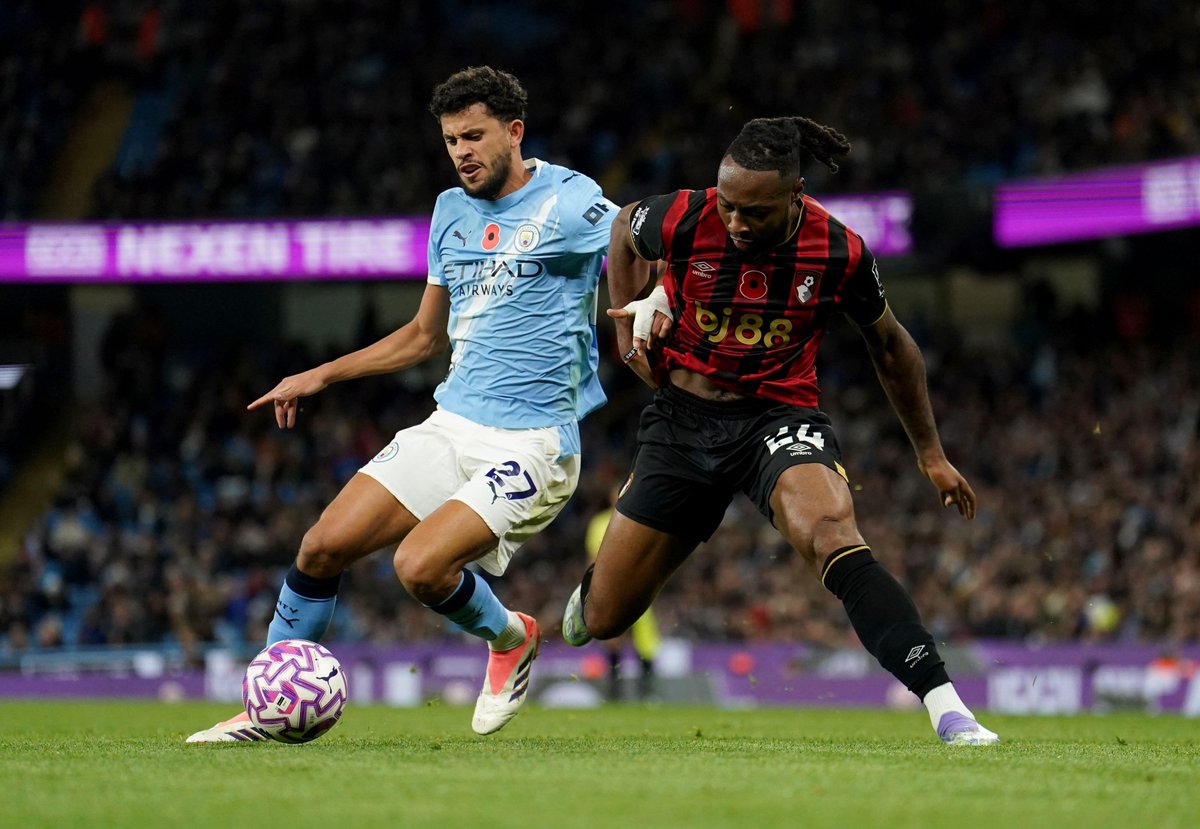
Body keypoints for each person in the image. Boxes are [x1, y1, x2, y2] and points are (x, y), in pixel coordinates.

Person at [188, 66, 616, 741]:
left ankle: (509, 637)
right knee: (322, 545)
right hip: (451, 423)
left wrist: (650, 307)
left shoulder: (569, 201)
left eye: (474, 136)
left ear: (514, 131)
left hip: (533, 441)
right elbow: (423, 335)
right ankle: (269, 703)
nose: (462, 152)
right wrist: (320, 375)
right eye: (450, 140)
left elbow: (640, 242)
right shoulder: (450, 210)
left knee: (419, 566)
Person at [562, 116, 1000, 746]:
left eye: (754, 213)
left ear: (796, 196)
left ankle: (945, 705)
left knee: (829, 531)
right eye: (729, 206)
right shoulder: (687, 215)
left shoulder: (839, 250)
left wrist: (930, 454)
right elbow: (623, 231)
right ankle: (596, 593)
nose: (736, 223)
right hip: (682, 421)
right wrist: (627, 333)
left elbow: (893, 347)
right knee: (605, 619)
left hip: (778, 417)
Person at [583, 488, 660, 700]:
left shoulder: (642, 518)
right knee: (612, 635)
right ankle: (614, 690)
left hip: (638, 584)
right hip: (611, 586)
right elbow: (592, 557)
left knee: (644, 636)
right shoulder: (599, 522)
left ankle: (648, 691)